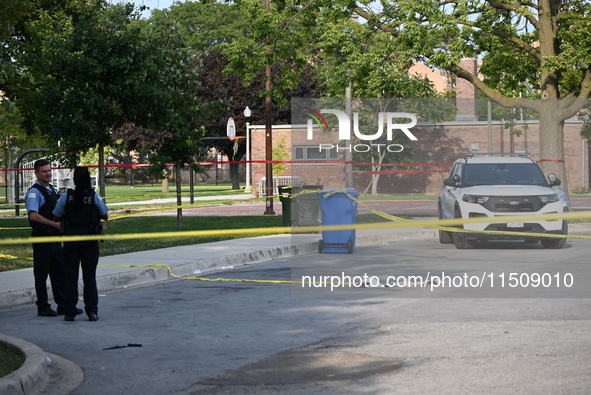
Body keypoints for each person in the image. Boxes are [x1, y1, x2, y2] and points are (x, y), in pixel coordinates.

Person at [53, 166, 109, 322]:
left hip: (71, 240)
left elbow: (56, 216)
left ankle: (70, 311)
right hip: (89, 240)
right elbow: (105, 215)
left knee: (70, 275)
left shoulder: (66, 197)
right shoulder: (93, 196)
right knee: (89, 276)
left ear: (74, 180)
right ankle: (91, 311)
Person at [24, 159, 70, 317]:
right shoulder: (34, 192)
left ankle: (63, 305)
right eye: (44, 171)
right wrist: (53, 224)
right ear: (36, 173)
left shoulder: (53, 190)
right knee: (42, 275)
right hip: (42, 238)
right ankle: (43, 306)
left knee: (59, 273)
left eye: (49, 170)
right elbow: (33, 216)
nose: (48, 173)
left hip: (55, 239)